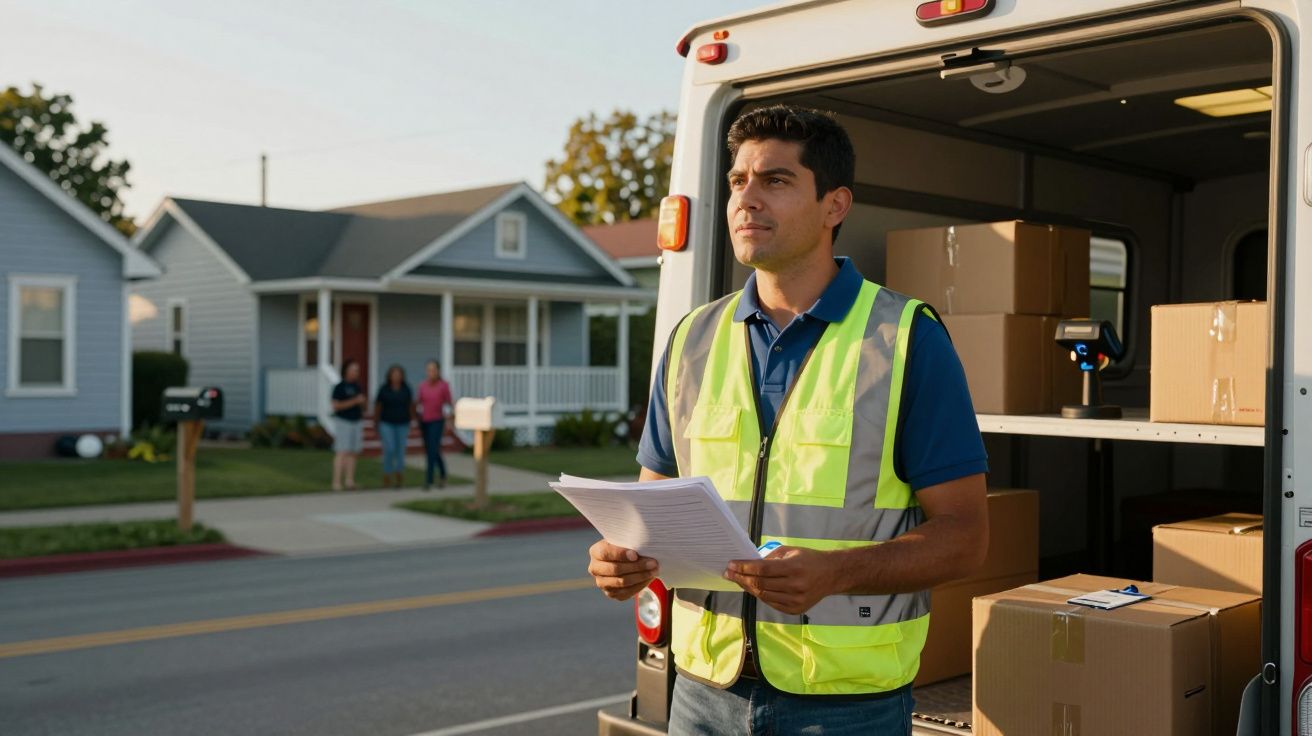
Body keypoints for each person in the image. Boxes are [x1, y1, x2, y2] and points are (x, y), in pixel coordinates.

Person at [585, 105, 990, 734]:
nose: (747, 198)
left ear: (835, 206)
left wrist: (837, 573)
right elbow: (653, 512)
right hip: (699, 695)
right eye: (738, 181)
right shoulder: (691, 339)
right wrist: (624, 560)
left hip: (848, 707)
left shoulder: (907, 339)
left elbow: (966, 535)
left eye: (775, 181)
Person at [373, 364, 415, 489]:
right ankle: (387, 475)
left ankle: (399, 475)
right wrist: (376, 422)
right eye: (394, 374)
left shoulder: (406, 389)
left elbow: (410, 405)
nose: (396, 377)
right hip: (386, 423)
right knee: (389, 449)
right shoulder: (384, 389)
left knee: (400, 451)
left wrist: (412, 420)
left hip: (403, 423)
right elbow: (378, 406)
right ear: (389, 376)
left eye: (398, 374)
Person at [414, 359, 454, 490]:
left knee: (432, 449)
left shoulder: (443, 386)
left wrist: (450, 420)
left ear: (438, 371)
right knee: (432, 450)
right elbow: (418, 403)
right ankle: (443, 474)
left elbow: (449, 403)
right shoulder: (422, 386)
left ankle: (428, 479)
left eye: (434, 369)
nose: (431, 372)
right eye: (429, 370)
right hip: (424, 421)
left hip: (437, 421)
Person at [330, 359, 367, 491]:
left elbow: (362, 405)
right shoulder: (339, 387)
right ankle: (336, 482)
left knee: (353, 453)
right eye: (354, 369)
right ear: (346, 370)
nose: (356, 372)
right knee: (342, 452)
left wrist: (362, 403)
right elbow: (335, 406)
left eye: (357, 370)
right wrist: (354, 401)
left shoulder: (357, 387)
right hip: (343, 422)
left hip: (356, 421)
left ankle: (349, 481)